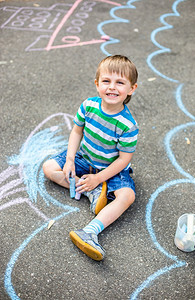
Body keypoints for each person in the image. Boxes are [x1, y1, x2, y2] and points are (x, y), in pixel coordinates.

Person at [43, 55, 139, 261]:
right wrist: (69, 160)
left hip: (111, 168)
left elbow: (123, 160)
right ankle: (90, 191)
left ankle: (90, 231)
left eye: (120, 83)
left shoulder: (128, 125)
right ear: (97, 84)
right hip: (84, 159)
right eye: (106, 81)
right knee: (49, 168)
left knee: (127, 196)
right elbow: (76, 132)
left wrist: (99, 178)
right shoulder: (88, 106)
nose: (112, 87)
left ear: (132, 89)